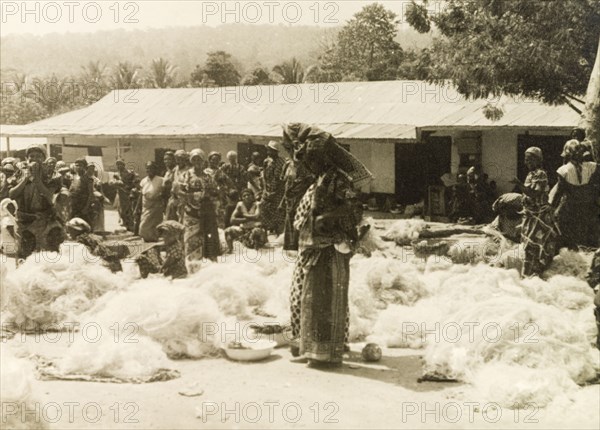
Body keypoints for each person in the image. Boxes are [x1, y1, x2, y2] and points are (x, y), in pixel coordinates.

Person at [289, 124, 372, 367]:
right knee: (305, 297)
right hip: (312, 248)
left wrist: (333, 228)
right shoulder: (321, 179)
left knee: (323, 299)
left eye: (311, 158)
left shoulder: (337, 179)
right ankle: (310, 347)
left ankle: (323, 353)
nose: (308, 163)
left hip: (329, 249)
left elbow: (353, 211)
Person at [510, 147, 558, 277]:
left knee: (535, 245)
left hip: (539, 216)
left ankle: (535, 272)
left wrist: (519, 184)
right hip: (530, 215)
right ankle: (529, 273)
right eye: (526, 160)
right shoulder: (531, 174)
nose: (527, 162)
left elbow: (535, 192)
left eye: (530, 160)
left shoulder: (540, 174)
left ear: (538, 160)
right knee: (529, 246)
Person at [9, 145, 64, 258]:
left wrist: (37, 179)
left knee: (49, 254)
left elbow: (49, 196)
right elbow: (12, 195)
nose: (34, 159)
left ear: (44, 158)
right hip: (25, 220)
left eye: (38, 156)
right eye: (31, 156)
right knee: (25, 255)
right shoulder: (20, 173)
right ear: (26, 158)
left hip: (45, 220)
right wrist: (25, 179)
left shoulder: (52, 174)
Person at [551, 140, 600, 249]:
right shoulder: (592, 168)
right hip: (586, 209)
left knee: (566, 238)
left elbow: (558, 192)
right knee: (584, 239)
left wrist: (551, 208)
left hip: (569, 210)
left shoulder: (563, 171)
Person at [180, 149, 221, 263]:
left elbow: (215, 191)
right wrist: (193, 196)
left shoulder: (208, 176)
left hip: (207, 209)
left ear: (203, 161)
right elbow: (180, 191)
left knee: (209, 236)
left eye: (199, 159)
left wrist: (209, 195)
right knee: (192, 237)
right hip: (191, 211)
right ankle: (193, 263)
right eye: (194, 159)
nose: (197, 162)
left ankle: (210, 263)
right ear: (191, 161)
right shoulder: (186, 175)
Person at [281, 125, 315, 251]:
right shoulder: (288, 165)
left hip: (301, 199)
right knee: (289, 219)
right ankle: (290, 245)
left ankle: (296, 245)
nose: (293, 152)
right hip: (289, 199)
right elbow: (286, 184)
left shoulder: (305, 167)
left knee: (299, 220)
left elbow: (309, 182)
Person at [224, 188, 267, 252]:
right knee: (228, 231)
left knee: (256, 231)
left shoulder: (257, 204)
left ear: (252, 196)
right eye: (244, 196)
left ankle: (258, 250)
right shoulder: (240, 205)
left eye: (248, 195)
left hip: (256, 230)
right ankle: (230, 250)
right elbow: (232, 220)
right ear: (242, 198)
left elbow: (256, 216)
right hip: (244, 230)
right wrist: (246, 219)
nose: (246, 197)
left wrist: (245, 216)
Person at [260, 141, 286, 235]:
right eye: (268, 150)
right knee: (264, 209)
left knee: (278, 214)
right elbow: (265, 178)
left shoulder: (282, 162)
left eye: (271, 151)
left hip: (278, 192)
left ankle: (278, 235)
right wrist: (265, 190)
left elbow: (282, 180)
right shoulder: (267, 162)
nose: (269, 152)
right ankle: (266, 234)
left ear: (276, 152)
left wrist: (275, 192)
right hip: (267, 191)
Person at [205, 151, 235, 229]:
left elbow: (230, 183)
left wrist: (226, 189)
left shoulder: (221, 172)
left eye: (217, 160)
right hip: (209, 197)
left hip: (221, 198)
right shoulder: (205, 172)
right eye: (213, 159)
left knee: (221, 217)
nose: (215, 162)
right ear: (209, 160)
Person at [138, 161, 166, 242]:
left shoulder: (161, 180)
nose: (149, 170)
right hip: (146, 207)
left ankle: (154, 243)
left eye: (151, 168)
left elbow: (165, 193)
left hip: (156, 207)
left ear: (155, 169)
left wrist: (159, 197)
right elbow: (141, 195)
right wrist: (137, 208)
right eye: (147, 168)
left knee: (153, 227)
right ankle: (149, 242)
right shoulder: (143, 181)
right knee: (143, 227)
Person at [110, 159, 139, 232]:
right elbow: (111, 182)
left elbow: (135, 180)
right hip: (120, 194)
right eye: (117, 164)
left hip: (128, 194)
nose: (119, 166)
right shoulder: (116, 174)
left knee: (129, 209)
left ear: (124, 165)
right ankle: (125, 224)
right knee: (121, 210)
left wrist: (129, 186)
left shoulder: (129, 173)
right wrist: (115, 183)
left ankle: (131, 225)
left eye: (121, 164)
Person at [69, 158, 96, 227]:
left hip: (83, 205)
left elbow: (90, 194)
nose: (78, 167)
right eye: (76, 165)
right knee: (73, 223)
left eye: (80, 165)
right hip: (74, 205)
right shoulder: (73, 177)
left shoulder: (88, 179)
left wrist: (86, 207)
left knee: (85, 224)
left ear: (84, 167)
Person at [165, 150, 189, 222]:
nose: (179, 161)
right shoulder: (175, 169)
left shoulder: (188, 171)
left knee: (182, 220)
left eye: (182, 159)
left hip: (183, 199)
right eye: (178, 159)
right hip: (174, 198)